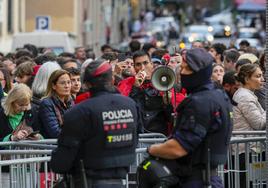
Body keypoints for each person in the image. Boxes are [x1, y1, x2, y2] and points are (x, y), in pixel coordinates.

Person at [139, 48, 233, 187]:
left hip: (197, 180)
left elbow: (179, 148)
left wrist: (152, 150)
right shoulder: (218, 96)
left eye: (187, 69)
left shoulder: (200, 102)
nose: (181, 73)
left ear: (200, 72)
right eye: (181, 68)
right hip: (206, 178)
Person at [50, 59, 142, 188]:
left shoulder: (79, 112)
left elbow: (61, 162)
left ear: (86, 84)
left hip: (89, 181)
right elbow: (135, 139)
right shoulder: (131, 105)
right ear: (112, 80)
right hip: (119, 181)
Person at [118, 50, 185, 136]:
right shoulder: (127, 83)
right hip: (136, 134)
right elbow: (123, 109)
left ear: (151, 64)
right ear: (134, 67)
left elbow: (170, 118)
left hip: (158, 136)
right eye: (138, 64)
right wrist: (135, 88)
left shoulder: (162, 82)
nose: (142, 68)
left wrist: (167, 102)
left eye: (145, 63)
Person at [38, 69, 73, 138]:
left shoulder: (70, 102)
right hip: (51, 146)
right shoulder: (46, 103)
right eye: (63, 83)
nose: (67, 86)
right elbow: (55, 132)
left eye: (69, 82)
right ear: (53, 86)